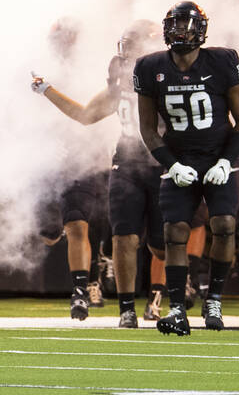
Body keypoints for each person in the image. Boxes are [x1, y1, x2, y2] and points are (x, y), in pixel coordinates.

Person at [32, 19, 167, 328]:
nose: (128, 56)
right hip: (128, 164)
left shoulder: (173, 82)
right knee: (123, 238)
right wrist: (47, 90)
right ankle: (127, 310)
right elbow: (85, 114)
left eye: (136, 49)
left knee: (164, 243)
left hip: (164, 165)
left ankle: (171, 297)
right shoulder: (122, 84)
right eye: (128, 49)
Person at [134, 1, 239, 336]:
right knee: (174, 232)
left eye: (188, 25)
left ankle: (213, 298)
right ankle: (178, 308)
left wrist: (228, 160)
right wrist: (171, 164)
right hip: (179, 157)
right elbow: (147, 129)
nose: (181, 31)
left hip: (219, 155)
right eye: (176, 25)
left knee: (224, 223)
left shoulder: (224, 60)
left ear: (201, 30)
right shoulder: (149, 66)